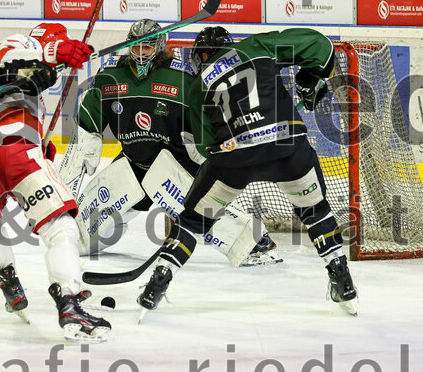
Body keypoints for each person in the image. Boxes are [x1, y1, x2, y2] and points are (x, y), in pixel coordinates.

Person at [136, 26, 358, 318]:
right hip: (287, 149)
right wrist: (308, 79)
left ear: (202, 55)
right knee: (315, 211)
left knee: (191, 223)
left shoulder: (197, 85)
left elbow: (204, 148)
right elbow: (322, 48)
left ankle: (159, 281)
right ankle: (342, 279)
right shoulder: (257, 46)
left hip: (233, 160)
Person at [59, 19, 279, 266]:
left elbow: (202, 126)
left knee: (199, 210)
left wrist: (211, 161)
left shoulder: (182, 78)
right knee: (76, 239)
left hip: (175, 163)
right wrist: (63, 195)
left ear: (160, 46)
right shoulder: (109, 77)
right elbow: (85, 134)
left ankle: (256, 241)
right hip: (133, 164)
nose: (141, 54)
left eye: (147, 47)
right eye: (136, 47)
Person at [0, 23, 112, 341]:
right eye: (59, 44)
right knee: (61, 227)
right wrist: (57, 52)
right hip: (12, 150)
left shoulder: (25, 85)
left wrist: (42, 145)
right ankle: (68, 300)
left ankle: (6, 278)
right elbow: (9, 56)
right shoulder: (18, 45)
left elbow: (17, 78)